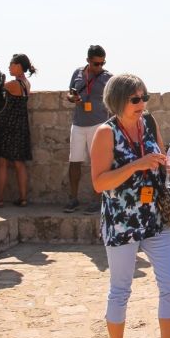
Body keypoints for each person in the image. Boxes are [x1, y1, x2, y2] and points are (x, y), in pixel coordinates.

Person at [90, 74, 170, 338]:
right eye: (135, 99)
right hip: (121, 222)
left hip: (153, 218)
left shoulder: (149, 123)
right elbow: (99, 183)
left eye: (144, 97)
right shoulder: (106, 133)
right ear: (118, 101)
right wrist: (136, 165)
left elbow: (160, 159)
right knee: (121, 289)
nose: (141, 103)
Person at [65, 45, 112, 213]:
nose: (99, 67)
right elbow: (69, 93)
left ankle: (97, 199)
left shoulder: (108, 78)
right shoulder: (78, 73)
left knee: (97, 163)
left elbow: (113, 100)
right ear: (88, 61)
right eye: (96, 63)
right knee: (74, 161)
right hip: (78, 123)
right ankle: (73, 198)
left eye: (102, 63)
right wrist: (73, 98)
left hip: (98, 124)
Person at [0, 54, 36, 207]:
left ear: (18, 66)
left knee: (2, 163)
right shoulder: (26, 83)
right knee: (19, 163)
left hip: (8, 125)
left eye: (11, 64)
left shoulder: (13, 84)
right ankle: (23, 198)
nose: (9, 67)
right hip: (21, 125)